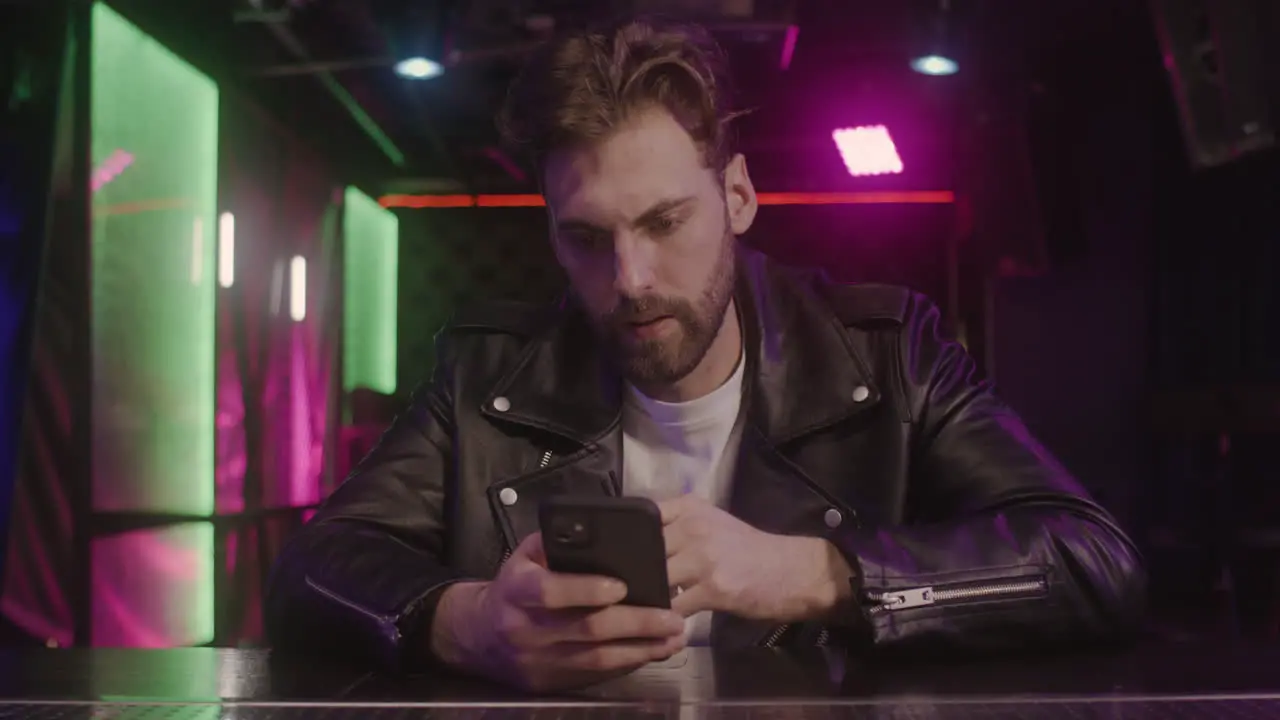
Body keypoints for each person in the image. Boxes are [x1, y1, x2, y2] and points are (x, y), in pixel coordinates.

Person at [266, 17, 1146, 692]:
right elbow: (312, 568)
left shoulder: (891, 355)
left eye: (664, 222)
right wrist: (467, 625)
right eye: (584, 239)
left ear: (737, 194)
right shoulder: (486, 375)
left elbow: (1092, 563)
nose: (630, 278)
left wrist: (816, 575)